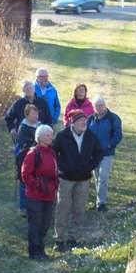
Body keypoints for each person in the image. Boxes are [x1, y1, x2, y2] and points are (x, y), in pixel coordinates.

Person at [52, 109, 103, 252]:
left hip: (84, 178)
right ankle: (59, 239)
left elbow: (99, 153)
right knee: (63, 208)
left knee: (79, 209)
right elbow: (53, 152)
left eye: (85, 121)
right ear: (72, 122)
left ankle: (74, 238)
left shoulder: (91, 136)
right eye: (81, 121)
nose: (84, 123)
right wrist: (62, 166)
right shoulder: (62, 136)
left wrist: (90, 166)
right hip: (66, 178)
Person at [21, 125, 58, 260]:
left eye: (51, 135)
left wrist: (54, 186)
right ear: (41, 137)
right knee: (35, 224)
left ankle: (41, 250)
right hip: (35, 195)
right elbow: (25, 174)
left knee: (45, 223)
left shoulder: (52, 152)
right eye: (48, 135)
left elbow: (55, 172)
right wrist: (37, 185)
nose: (51, 137)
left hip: (49, 195)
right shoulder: (33, 153)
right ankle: (34, 252)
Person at [88, 97, 123, 212]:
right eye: (97, 106)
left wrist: (109, 145)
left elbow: (118, 135)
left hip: (107, 154)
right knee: (97, 177)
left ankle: (101, 203)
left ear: (105, 105)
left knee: (103, 177)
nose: (99, 108)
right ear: (94, 107)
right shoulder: (91, 119)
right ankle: (98, 202)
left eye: (101, 105)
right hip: (93, 154)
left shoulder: (113, 118)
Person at [14, 104, 41, 214]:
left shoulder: (40, 126)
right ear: (27, 115)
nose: (36, 116)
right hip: (25, 159)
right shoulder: (23, 127)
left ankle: (35, 204)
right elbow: (24, 144)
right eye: (33, 114)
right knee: (24, 182)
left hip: (38, 159)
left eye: (37, 113)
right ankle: (23, 207)